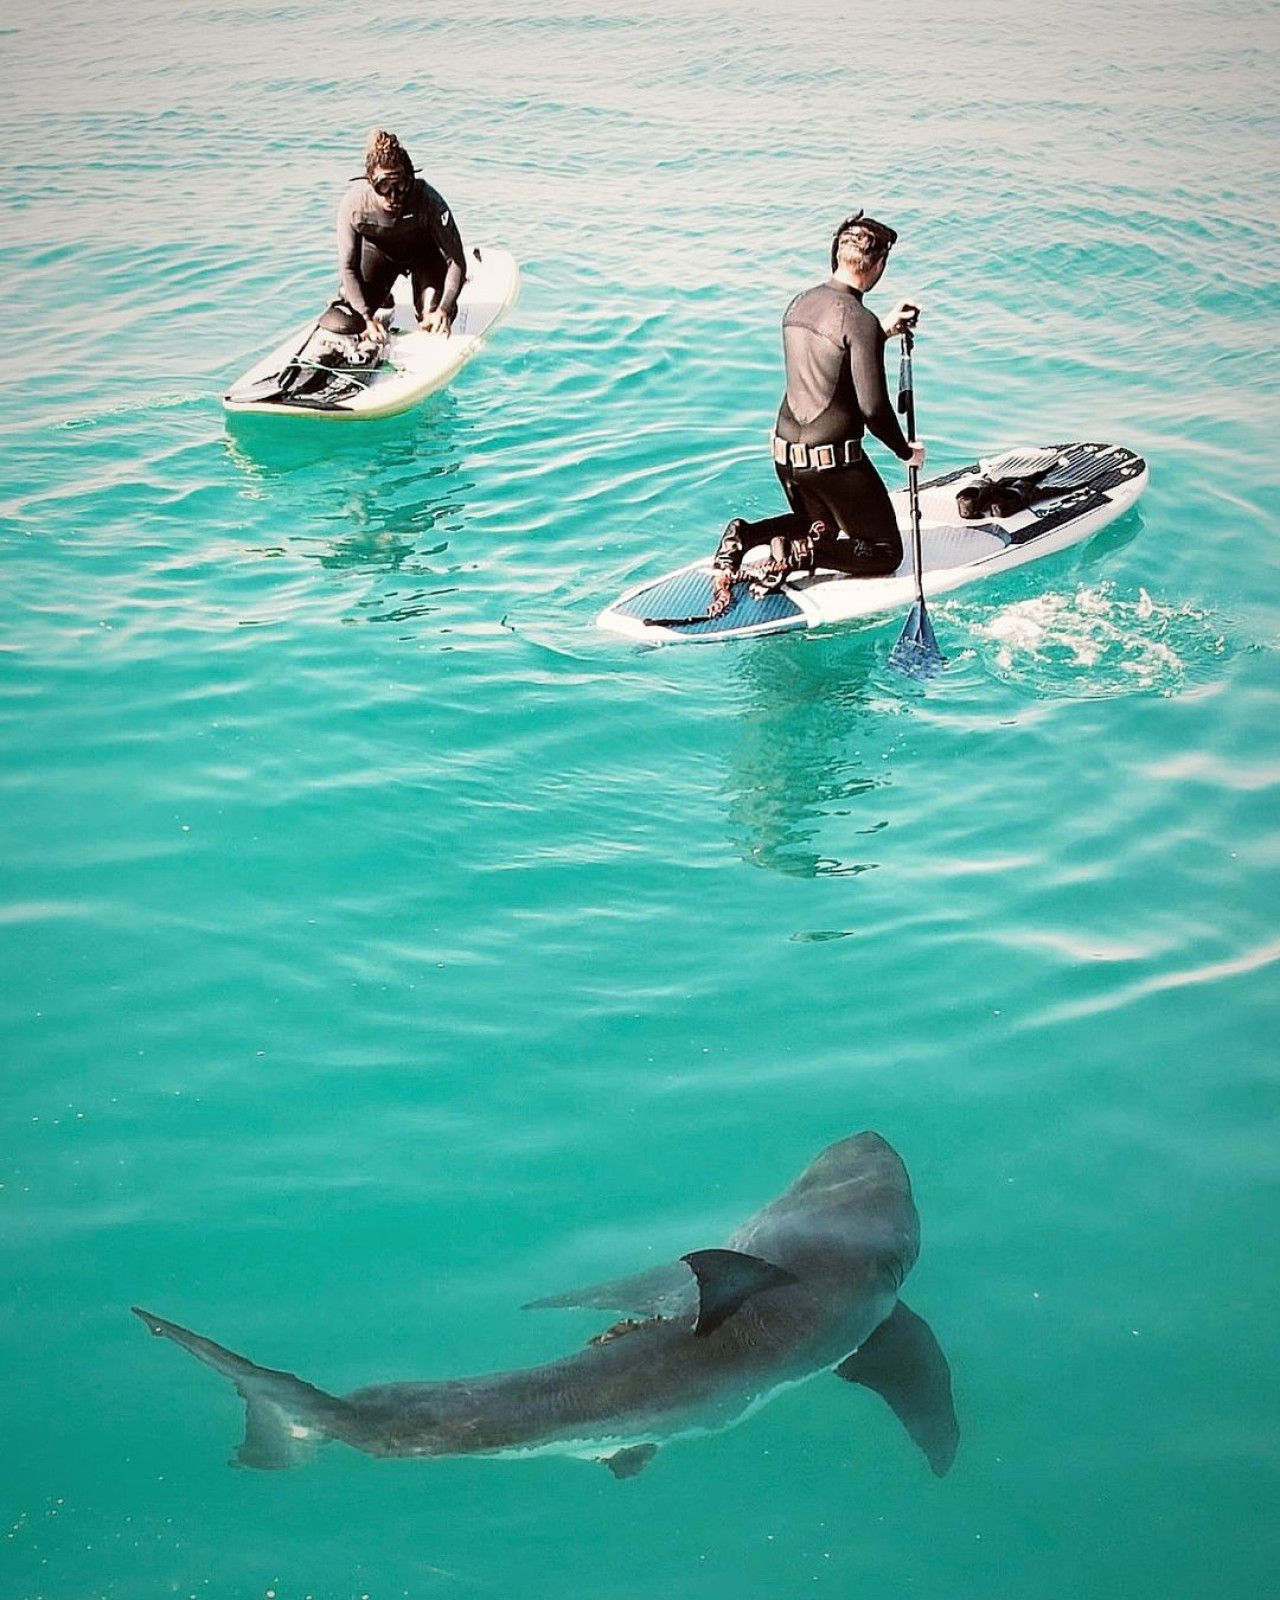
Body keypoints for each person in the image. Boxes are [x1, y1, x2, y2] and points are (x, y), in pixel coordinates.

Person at [711, 211, 925, 610]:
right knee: (884, 552)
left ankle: (744, 536)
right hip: (833, 465)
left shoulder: (800, 303)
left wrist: (881, 333)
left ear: (838, 256)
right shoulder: (859, 319)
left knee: (821, 528)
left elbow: (830, 362)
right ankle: (800, 557)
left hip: (786, 455)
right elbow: (873, 408)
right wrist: (906, 452)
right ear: (878, 265)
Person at [331, 128, 467, 346]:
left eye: (402, 186)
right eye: (384, 186)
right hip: (378, 258)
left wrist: (444, 308)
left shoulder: (428, 201)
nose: (394, 196)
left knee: (433, 316)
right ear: (370, 182)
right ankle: (382, 300)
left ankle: (431, 306)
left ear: (411, 179)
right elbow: (349, 268)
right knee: (348, 317)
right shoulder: (354, 205)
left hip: (425, 258)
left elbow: (457, 261)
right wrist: (366, 319)